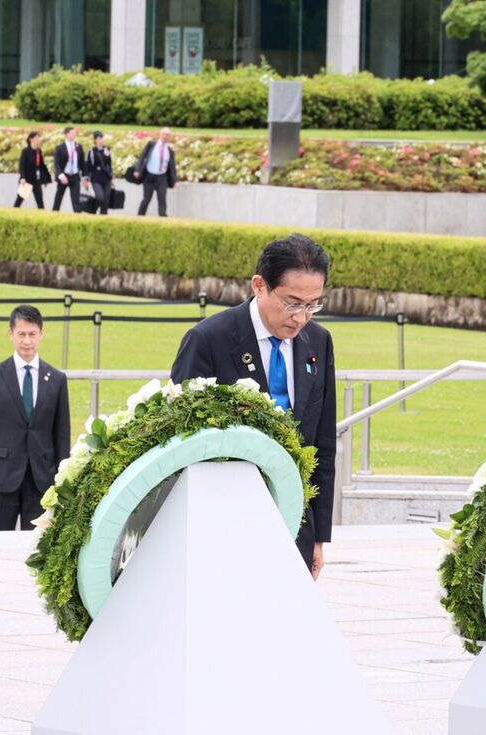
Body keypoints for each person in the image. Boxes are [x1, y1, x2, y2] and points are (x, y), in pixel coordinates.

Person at [170, 234, 335, 578]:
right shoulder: (209, 340)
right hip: (220, 521)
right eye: (292, 303)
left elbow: (322, 442)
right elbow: (180, 443)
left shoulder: (318, 342)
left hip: (293, 520)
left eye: (313, 304)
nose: (302, 317)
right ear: (259, 286)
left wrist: (319, 535)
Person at [0, 305, 71, 531]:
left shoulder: (57, 379)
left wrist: (61, 481)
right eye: (21, 334)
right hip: (0, 479)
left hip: (42, 481)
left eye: (32, 334)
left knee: (36, 548)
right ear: (11, 334)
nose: (27, 341)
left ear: (41, 333)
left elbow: (61, 435)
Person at [135, 127, 177, 217]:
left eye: (167, 135)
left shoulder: (170, 151)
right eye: (164, 134)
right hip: (149, 176)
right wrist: (138, 170)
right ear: (160, 134)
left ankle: (163, 219)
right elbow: (142, 157)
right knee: (146, 199)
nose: (165, 136)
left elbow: (172, 167)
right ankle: (139, 217)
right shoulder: (151, 145)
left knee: (162, 199)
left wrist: (175, 180)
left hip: (162, 178)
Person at [51, 126, 86, 212]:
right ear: (66, 134)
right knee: (59, 197)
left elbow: (82, 162)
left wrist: (85, 176)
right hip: (64, 175)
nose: (74, 135)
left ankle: (77, 217)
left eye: (75, 133)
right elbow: (57, 163)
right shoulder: (60, 148)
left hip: (74, 175)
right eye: (72, 133)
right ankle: (54, 214)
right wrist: (61, 175)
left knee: (76, 199)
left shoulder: (78, 147)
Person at [15, 131, 52, 209]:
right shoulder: (26, 151)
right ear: (31, 139)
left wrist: (45, 178)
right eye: (36, 138)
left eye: (38, 138)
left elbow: (41, 166)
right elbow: (22, 165)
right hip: (27, 180)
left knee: (40, 202)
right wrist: (22, 177)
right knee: (19, 200)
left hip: (36, 180)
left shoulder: (38, 151)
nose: (38, 140)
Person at [86, 131, 113, 215]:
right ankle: (92, 210)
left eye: (102, 138)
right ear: (95, 140)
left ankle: (103, 217)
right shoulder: (91, 151)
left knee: (106, 200)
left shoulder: (106, 149)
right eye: (99, 138)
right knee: (100, 197)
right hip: (96, 177)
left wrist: (111, 177)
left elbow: (109, 164)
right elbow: (88, 166)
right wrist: (86, 179)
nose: (101, 140)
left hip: (106, 177)